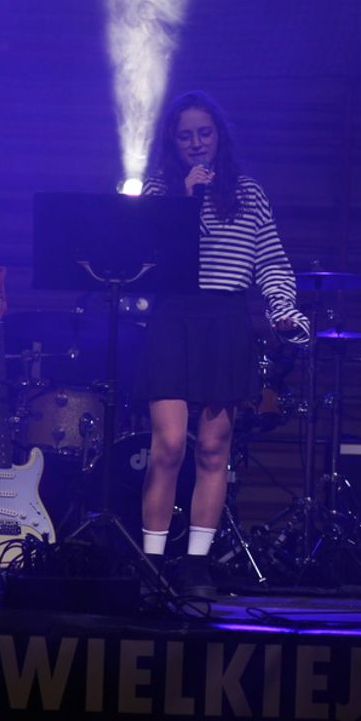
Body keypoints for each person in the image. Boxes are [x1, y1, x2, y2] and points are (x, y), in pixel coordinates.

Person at [132, 90, 310, 599]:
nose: (195, 143)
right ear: (173, 142)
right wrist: (184, 200)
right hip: (173, 315)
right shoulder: (159, 189)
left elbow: (270, 260)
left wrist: (282, 308)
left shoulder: (248, 192)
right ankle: (151, 564)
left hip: (225, 317)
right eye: (185, 135)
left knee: (213, 448)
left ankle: (196, 567)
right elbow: (144, 255)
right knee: (168, 444)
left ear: (219, 137)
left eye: (204, 133)